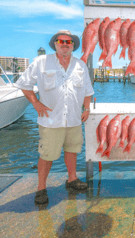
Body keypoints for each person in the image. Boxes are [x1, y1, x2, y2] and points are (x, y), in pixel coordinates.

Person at [14, 30, 94, 204]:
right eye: (61, 41)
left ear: (73, 45)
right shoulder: (41, 62)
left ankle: (72, 179)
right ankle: (41, 188)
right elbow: (24, 84)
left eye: (68, 41)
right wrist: (35, 103)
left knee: (72, 151)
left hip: (74, 119)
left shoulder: (80, 64)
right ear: (55, 44)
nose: (65, 44)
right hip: (50, 120)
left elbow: (87, 91)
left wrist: (86, 108)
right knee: (47, 155)